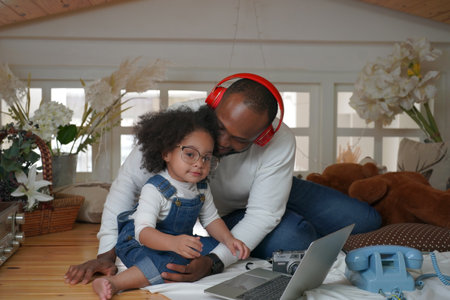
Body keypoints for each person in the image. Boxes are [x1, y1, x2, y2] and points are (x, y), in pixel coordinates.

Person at [65, 73, 381, 285]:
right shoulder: (178, 124)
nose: (223, 142)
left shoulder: (280, 141)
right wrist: (107, 251)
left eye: (239, 139)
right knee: (296, 237)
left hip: (264, 191)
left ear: (263, 136)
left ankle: (292, 207)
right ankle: (294, 224)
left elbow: (263, 213)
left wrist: (213, 263)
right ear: (213, 104)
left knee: (366, 218)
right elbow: (127, 185)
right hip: (223, 214)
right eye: (220, 128)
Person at [92, 106, 249, 299]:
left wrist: (229, 240)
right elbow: (143, 232)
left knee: (218, 248)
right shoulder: (155, 189)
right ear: (166, 153)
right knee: (167, 264)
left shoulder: (201, 188)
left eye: (207, 158)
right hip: (139, 241)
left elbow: (211, 219)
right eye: (190, 154)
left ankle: (184, 255)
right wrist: (173, 243)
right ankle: (114, 283)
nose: (199, 163)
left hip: (176, 240)